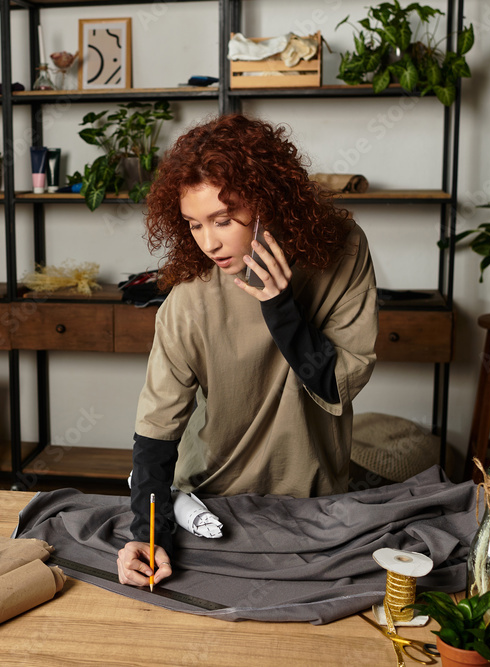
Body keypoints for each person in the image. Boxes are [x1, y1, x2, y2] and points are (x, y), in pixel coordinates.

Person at [116, 114, 378, 587]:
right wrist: (148, 534)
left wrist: (281, 308)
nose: (209, 242)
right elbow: (157, 430)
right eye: (194, 225)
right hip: (211, 499)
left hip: (315, 498)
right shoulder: (188, 300)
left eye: (223, 220)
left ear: (269, 199)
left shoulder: (343, 250)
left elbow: (338, 384)